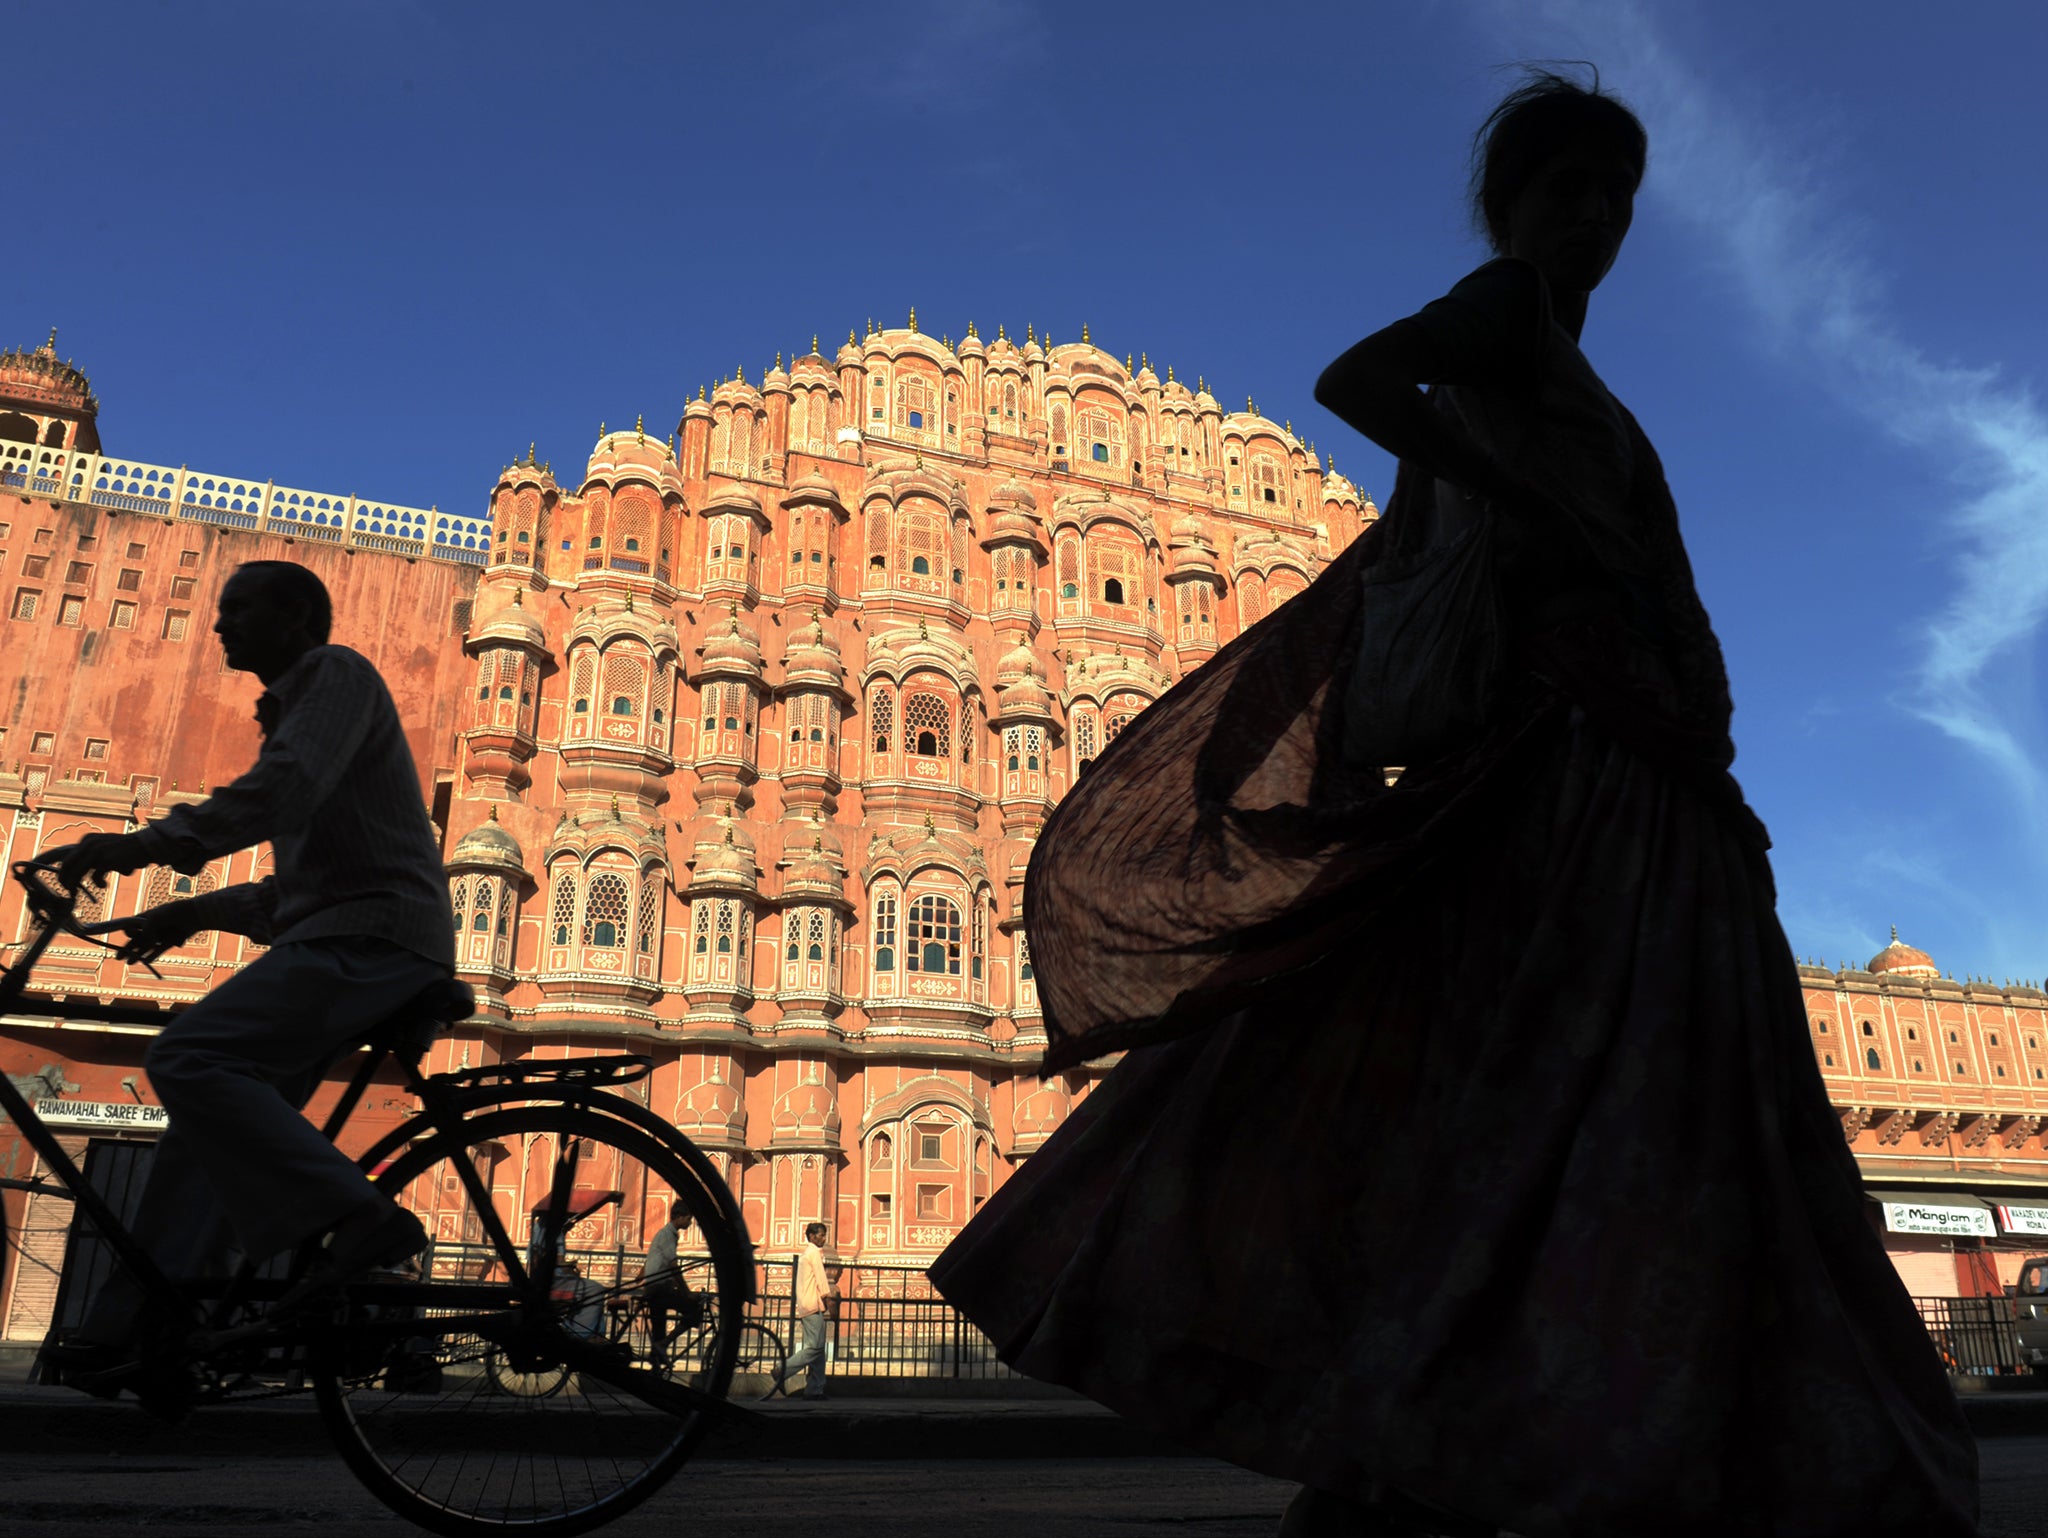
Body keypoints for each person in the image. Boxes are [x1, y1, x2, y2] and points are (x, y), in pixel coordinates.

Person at [929, 69, 1981, 1538]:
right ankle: (1494, 1426)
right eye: (1567, 192)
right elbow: (1358, 380)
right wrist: (1522, 491)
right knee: (1592, 1092)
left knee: (1612, 1099)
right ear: (1513, 207)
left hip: (1646, 776)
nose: (1597, 221)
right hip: (1578, 779)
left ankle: (1497, 1423)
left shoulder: (1561, 352)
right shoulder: (1503, 315)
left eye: (1615, 197)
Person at [43, 560, 456, 1383]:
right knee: (209, 1126)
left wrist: (146, 846)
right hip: (344, 933)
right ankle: (150, 1332)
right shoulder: (298, 706)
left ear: (296, 616)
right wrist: (187, 910)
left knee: (188, 1057)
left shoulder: (332, 675)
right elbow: (301, 886)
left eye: (239, 608)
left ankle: (360, 1216)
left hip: (373, 940)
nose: (220, 624)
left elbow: (286, 791)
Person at [762, 1221, 837, 1400]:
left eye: (824, 1235)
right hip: (812, 1304)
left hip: (808, 1304)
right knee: (815, 1348)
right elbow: (821, 1280)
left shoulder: (807, 1254)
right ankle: (782, 1371)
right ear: (812, 1236)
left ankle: (814, 1390)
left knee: (818, 1350)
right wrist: (829, 1300)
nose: (823, 1238)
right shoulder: (813, 1254)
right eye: (820, 1235)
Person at [637, 1215, 700, 1366]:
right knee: (695, 1311)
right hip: (660, 1287)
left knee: (658, 1329)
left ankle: (656, 1366)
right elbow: (673, 1266)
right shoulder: (668, 1235)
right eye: (688, 1219)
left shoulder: (663, 1234)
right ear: (680, 1217)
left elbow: (653, 1258)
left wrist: (640, 1277)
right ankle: (664, 1344)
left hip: (653, 1287)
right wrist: (687, 1292)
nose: (690, 1222)